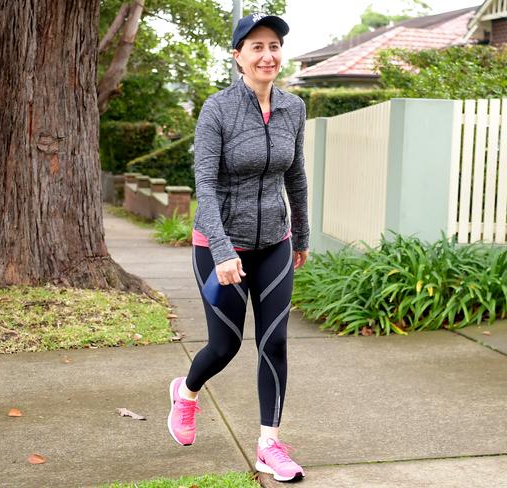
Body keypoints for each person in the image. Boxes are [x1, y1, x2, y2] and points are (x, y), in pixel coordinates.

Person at [167, 12, 309, 483]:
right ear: (238, 57)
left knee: (276, 342)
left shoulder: (294, 108)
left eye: (274, 46)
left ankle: (269, 443)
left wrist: (301, 237)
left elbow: (296, 177)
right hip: (219, 245)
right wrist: (224, 250)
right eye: (257, 47)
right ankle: (186, 394)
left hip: (275, 244)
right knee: (225, 345)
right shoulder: (218, 110)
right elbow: (204, 185)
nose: (267, 55)